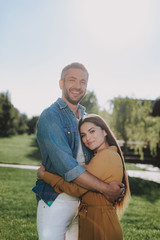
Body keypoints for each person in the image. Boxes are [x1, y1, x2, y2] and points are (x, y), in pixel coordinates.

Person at [32, 63, 125, 240]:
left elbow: (94, 162)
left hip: (84, 203)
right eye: (72, 80)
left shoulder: (86, 118)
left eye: (83, 82)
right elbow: (69, 168)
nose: (77, 86)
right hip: (56, 200)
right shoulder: (50, 116)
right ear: (61, 84)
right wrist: (106, 188)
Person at [37, 114, 130, 240]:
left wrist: (44, 175)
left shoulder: (107, 156)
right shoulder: (100, 157)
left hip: (101, 225)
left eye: (92, 131)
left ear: (104, 131)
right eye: (83, 135)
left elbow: (75, 189)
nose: (88, 138)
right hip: (93, 221)